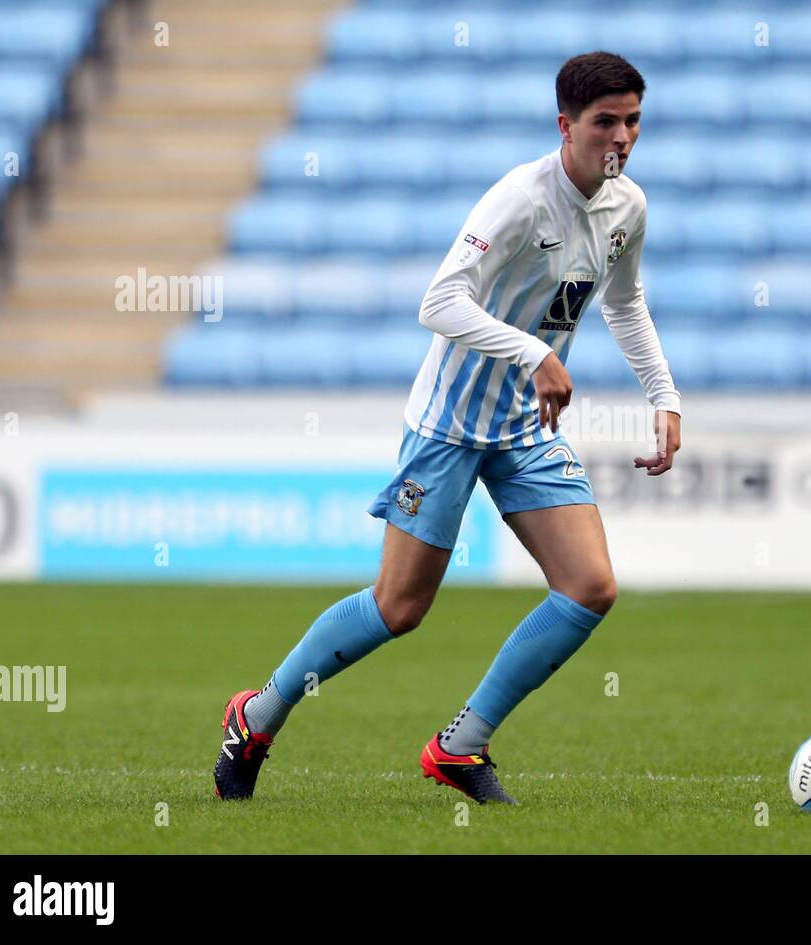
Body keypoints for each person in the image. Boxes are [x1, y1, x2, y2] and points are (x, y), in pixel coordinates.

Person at [214, 50, 681, 805]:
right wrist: (533, 352)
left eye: (632, 121)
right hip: (451, 423)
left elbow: (624, 302)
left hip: (526, 425)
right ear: (566, 126)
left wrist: (664, 395)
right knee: (400, 607)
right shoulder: (520, 201)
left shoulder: (629, 207)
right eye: (605, 122)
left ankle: (459, 746)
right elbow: (439, 302)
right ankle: (257, 713)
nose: (621, 137)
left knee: (590, 585)